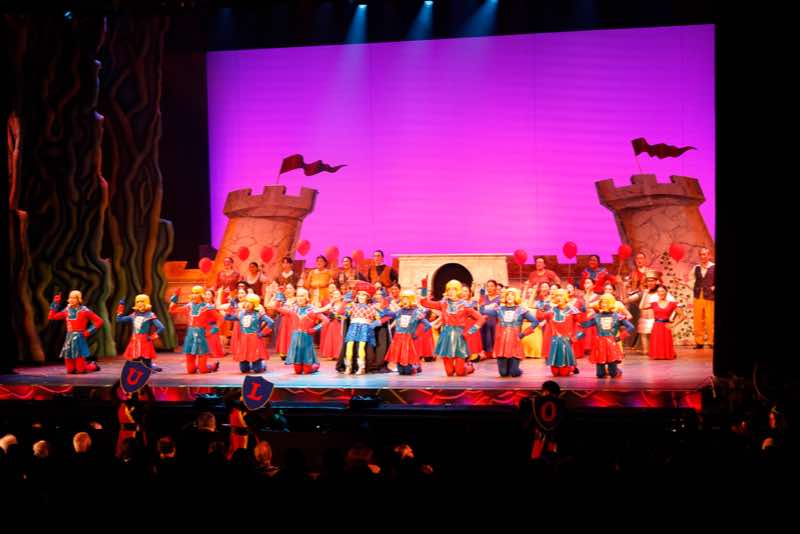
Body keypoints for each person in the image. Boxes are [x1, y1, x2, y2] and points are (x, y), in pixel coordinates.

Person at [420, 278, 485, 377]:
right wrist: (424, 287)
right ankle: (458, 367)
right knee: (449, 373)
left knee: (459, 373)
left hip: (459, 338)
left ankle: (469, 367)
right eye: (449, 289)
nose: (450, 292)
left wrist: (470, 332)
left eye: (453, 289)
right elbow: (424, 303)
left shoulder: (465, 306)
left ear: (458, 291)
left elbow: (481, 319)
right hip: (446, 337)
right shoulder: (443, 303)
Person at [480, 287, 539, 377]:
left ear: (516, 297)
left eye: (512, 294)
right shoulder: (499, 309)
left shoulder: (521, 310)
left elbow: (535, 322)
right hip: (501, 344)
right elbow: (482, 311)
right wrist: (482, 296)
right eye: (508, 294)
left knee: (514, 373)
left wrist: (523, 334)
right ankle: (507, 367)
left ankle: (516, 370)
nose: (509, 296)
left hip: (514, 343)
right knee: (503, 373)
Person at [269, 287, 328, 374]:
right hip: (296, 338)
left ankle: (315, 365)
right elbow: (276, 307)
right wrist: (280, 294)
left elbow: (326, 320)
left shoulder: (312, 309)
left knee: (307, 370)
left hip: (306, 338)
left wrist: (314, 329)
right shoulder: (293, 308)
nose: (300, 298)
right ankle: (306, 364)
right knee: (298, 371)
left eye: (302, 296)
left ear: (306, 297)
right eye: (298, 296)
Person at [48, 290, 104, 374]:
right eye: (70, 297)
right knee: (70, 370)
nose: (71, 299)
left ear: (79, 299)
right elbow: (51, 317)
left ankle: (92, 366)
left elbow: (99, 321)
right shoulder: (67, 310)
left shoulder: (84, 310)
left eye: (74, 298)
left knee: (80, 370)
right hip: (69, 338)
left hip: (79, 338)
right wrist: (55, 303)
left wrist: (88, 332)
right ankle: (85, 365)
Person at [169, 286, 220, 373]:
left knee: (203, 370)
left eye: (196, 293)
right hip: (190, 334)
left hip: (201, 334)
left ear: (201, 295)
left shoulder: (207, 307)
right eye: (193, 293)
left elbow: (220, 318)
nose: (194, 295)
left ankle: (212, 366)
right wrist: (175, 297)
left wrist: (213, 330)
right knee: (190, 371)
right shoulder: (189, 306)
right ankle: (200, 366)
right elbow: (172, 310)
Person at [582, 294, 635, 378]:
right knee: (600, 374)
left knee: (613, 373)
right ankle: (604, 372)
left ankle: (615, 371)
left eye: (606, 302)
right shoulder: (597, 316)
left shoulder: (617, 316)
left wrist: (620, 337)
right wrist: (583, 313)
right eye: (602, 302)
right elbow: (585, 325)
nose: (603, 304)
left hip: (611, 344)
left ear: (610, 303)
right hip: (600, 344)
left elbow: (631, 327)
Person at [116, 294, 165, 372]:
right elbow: (119, 319)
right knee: (135, 361)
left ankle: (150, 367)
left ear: (146, 303)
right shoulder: (134, 315)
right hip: (134, 341)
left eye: (142, 301)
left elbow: (161, 327)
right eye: (138, 302)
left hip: (144, 341)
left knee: (146, 361)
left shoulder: (150, 315)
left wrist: (152, 337)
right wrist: (121, 306)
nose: (139, 304)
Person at [641, 284, 685, 360]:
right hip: (656, 326)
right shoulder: (654, 304)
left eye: (662, 291)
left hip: (666, 326)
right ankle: (657, 355)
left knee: (665, 343)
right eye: (658, 291)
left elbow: (682, 316)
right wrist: (645, 294)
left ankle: (667, 354)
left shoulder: (672, 304)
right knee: (657, 342)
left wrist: (673, 325)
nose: (660, 293)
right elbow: (641, 307)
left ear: (666, 292)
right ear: (657, 293)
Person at [691, 247, 715, 348]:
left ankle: (711, 342)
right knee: (698, 319)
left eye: (704, 254)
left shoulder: (713, 267)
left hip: (710, 296)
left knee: (710, 319)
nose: (702, 256)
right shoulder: (696, 267)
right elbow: (691, 280)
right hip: (698, 295)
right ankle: (699, 342)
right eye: (701, 254)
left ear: (709, 255)